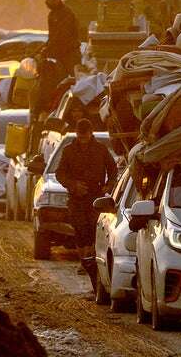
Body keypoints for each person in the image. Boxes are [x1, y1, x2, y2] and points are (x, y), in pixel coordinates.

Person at [55, 118, 117, 288]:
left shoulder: (101, 150)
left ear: (91, 133)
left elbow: (113, 169)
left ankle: (90, 260)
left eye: (85, 136)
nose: (82, 139)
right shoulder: (68, 151)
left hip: (95, 196)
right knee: (79, 227)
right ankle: (83, 260)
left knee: (92, 228)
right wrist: (73, 185)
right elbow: (60, 173)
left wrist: (108, 186)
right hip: (76, 198)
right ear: (77, 133)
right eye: (80, 136)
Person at [44, 0, 80, 80]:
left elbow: (64, 35)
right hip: (59, 54)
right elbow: (52, 36)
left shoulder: (66, 13)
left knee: (73, 79)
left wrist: (51, 48)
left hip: (69, 53)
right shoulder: (52, 15)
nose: (46, 2)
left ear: (57, 0)